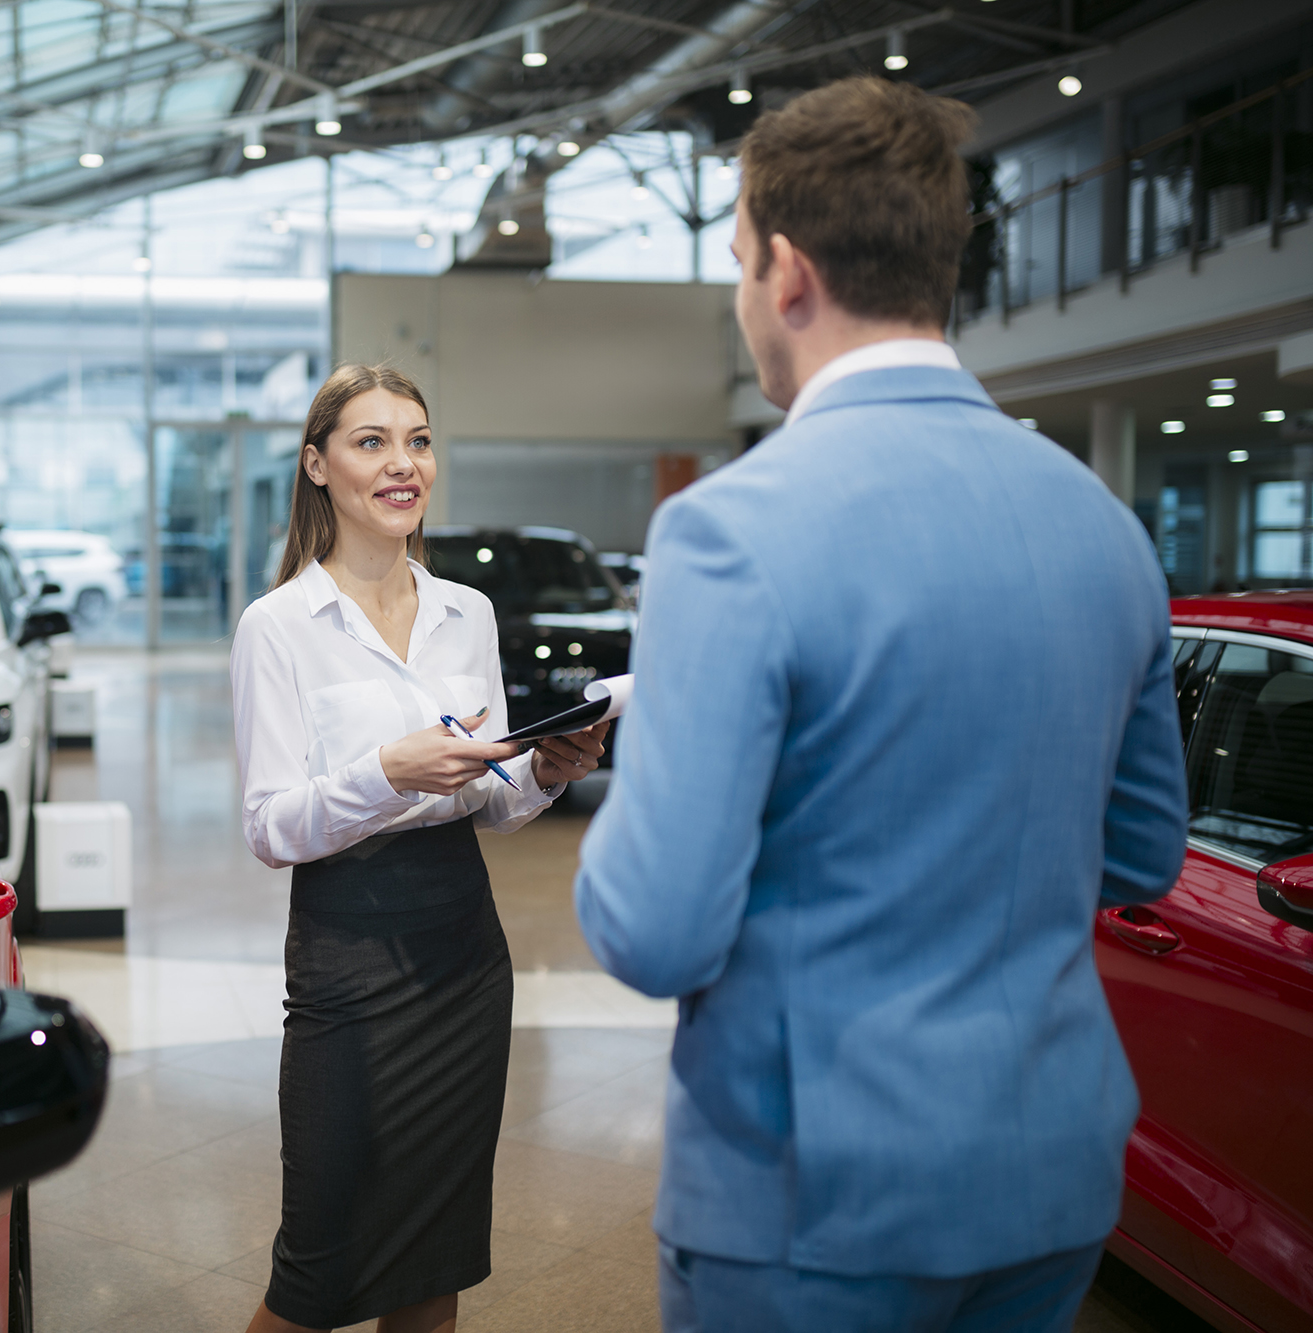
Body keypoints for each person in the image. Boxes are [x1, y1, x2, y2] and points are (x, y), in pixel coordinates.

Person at [575, 77, 1189, 1333]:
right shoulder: (1102, 526)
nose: (745, 294)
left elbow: (653, 929)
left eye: (739, 263)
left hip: (815, 1196)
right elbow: (1139, 849)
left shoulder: (728, 533)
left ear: (787, 273)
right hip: (1049, 1170)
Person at [233, 364, 609, 1333]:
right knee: (314, 1268)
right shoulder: (277, 626)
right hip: (347, 954)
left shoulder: (464, 612)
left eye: (418, 440)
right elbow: (269, 826)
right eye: (371, 442)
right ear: (317, 465)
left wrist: (544, 771)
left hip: (462, 954)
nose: (402, 464)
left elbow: (485, 799)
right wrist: (386, 772)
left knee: (432, 1256)